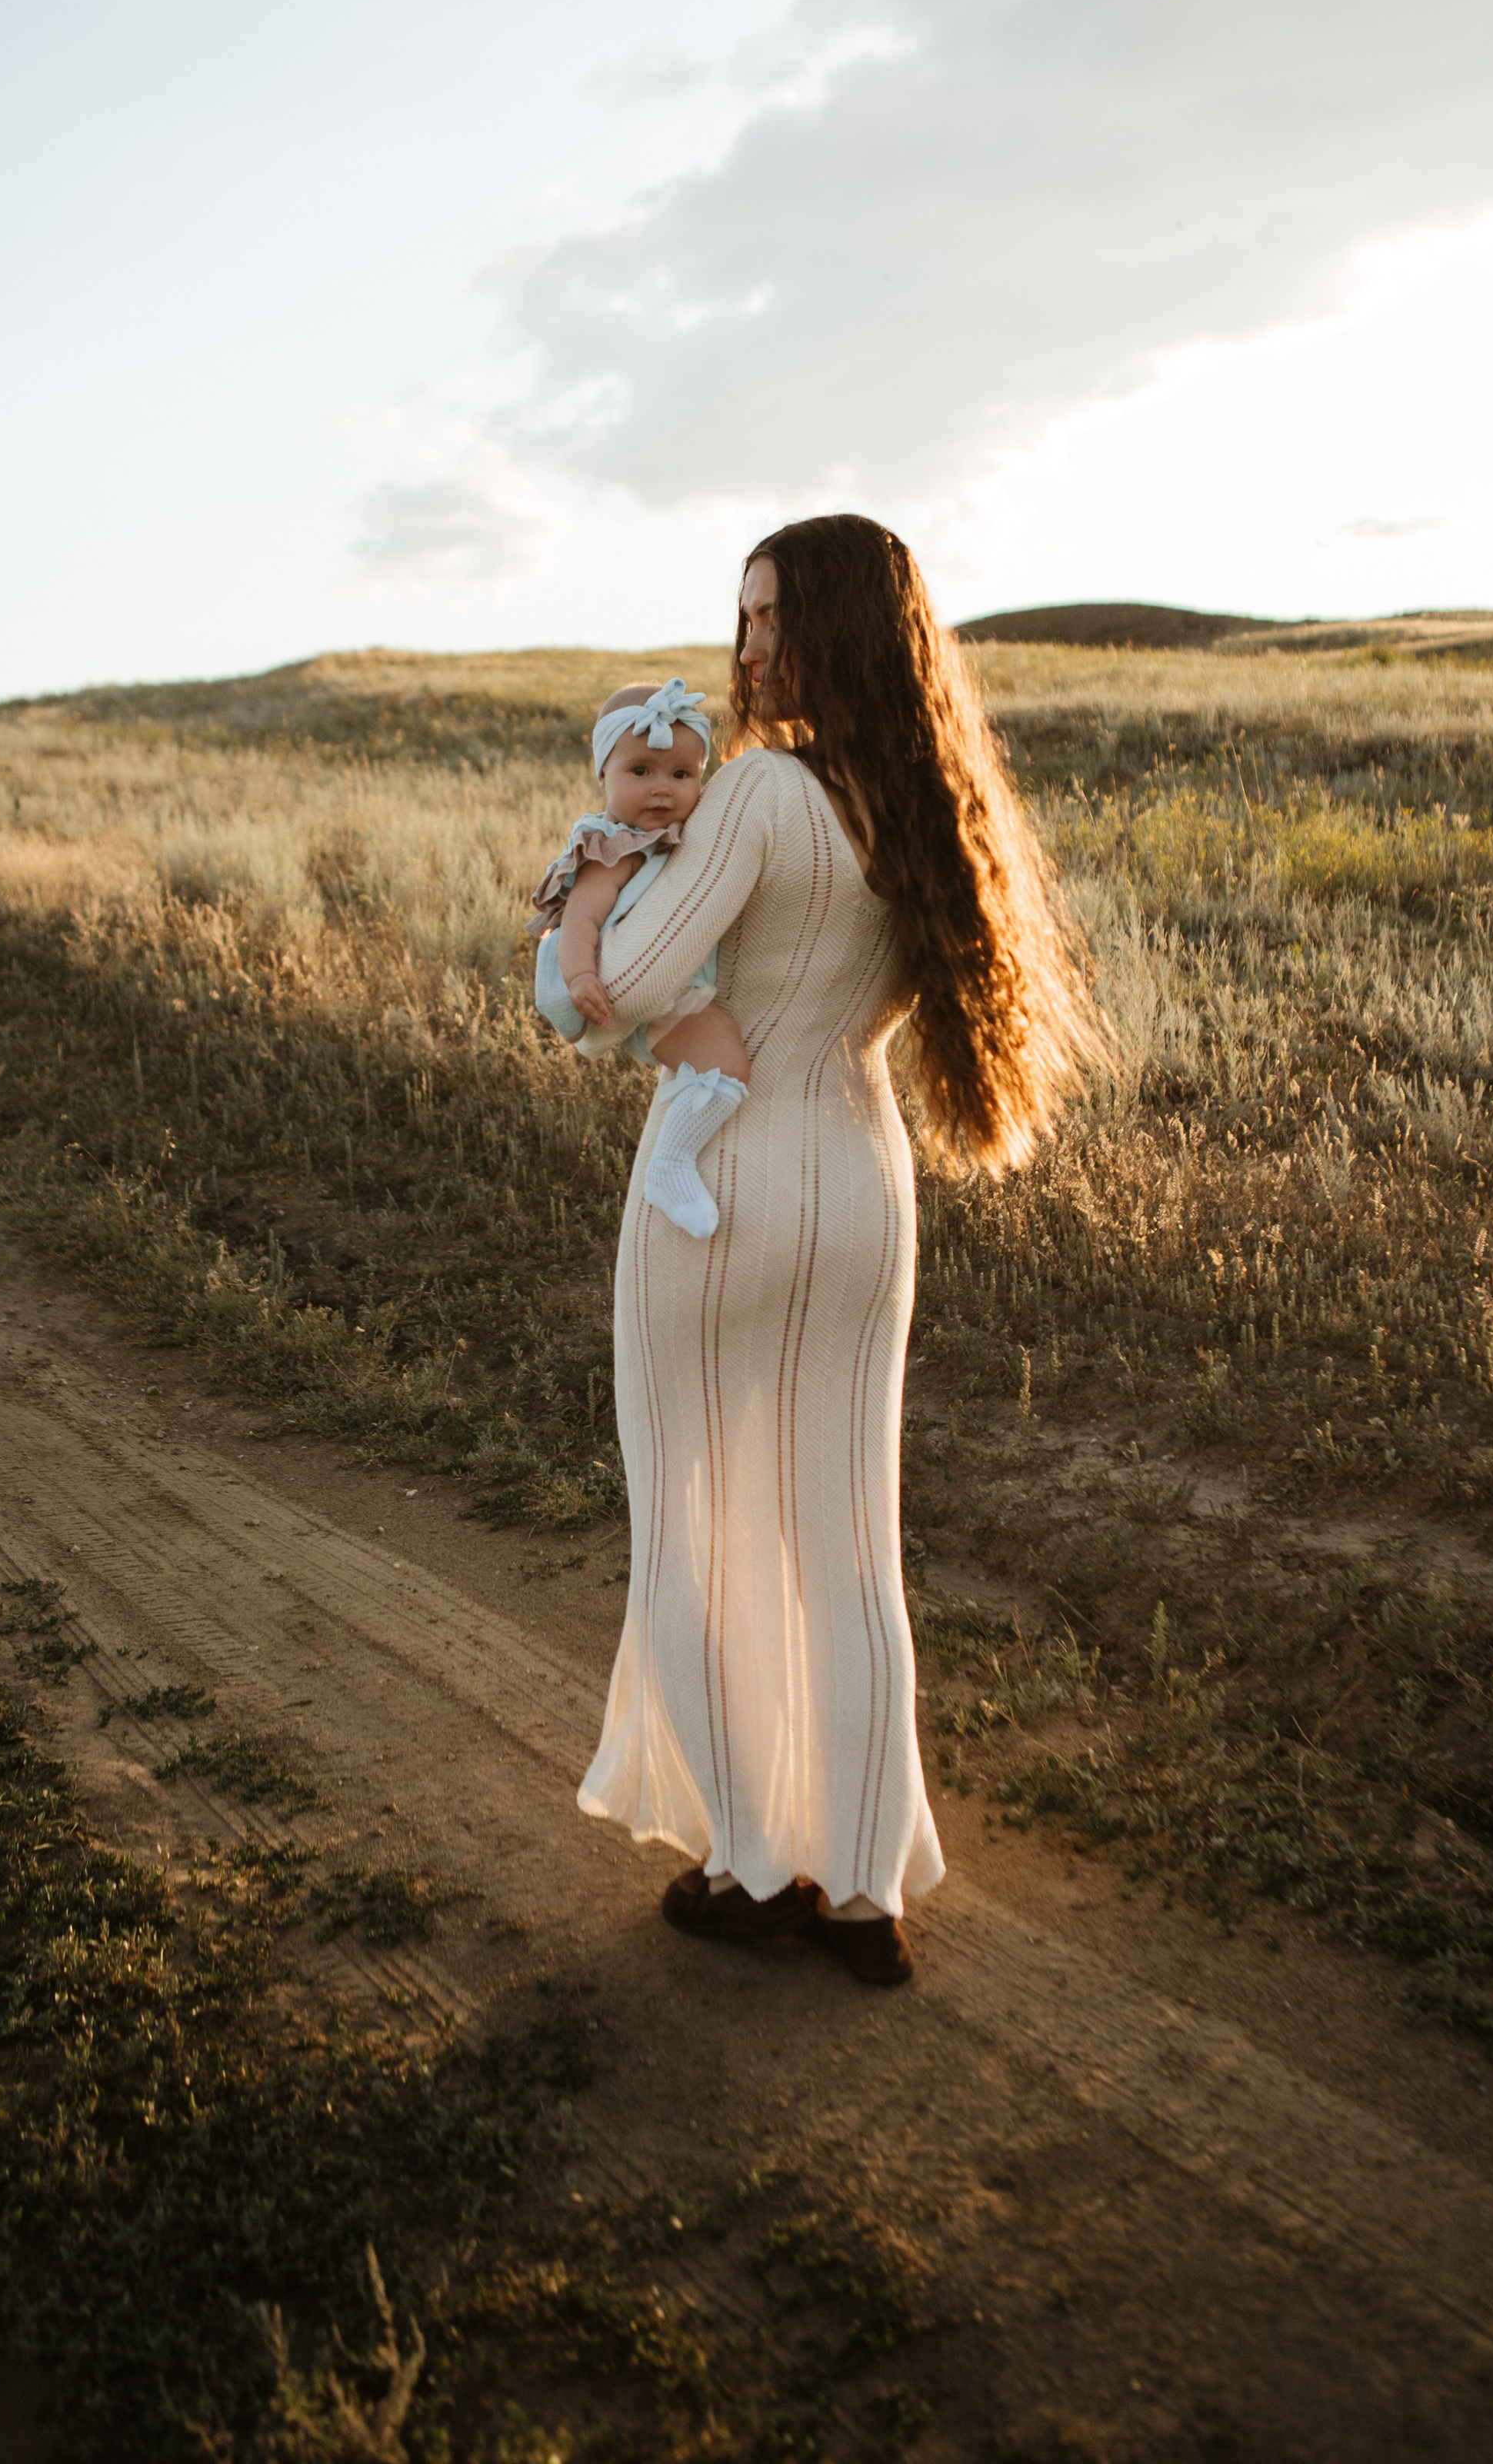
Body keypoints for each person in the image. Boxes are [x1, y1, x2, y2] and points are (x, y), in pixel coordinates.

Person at [575, 516, 1105, 1986]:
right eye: (742, 618)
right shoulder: (931, 806)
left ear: (842, 631)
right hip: (862, 1193)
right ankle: (863, 1891)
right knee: (844, 1544)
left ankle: (754, 1867)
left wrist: (591, 892)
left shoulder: (760, 791)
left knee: (695, 1523)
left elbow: (625, 988)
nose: (749, 650)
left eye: (776, 618)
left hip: (721, 1184)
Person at [527, 677, 755, 1237]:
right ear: (603, 776)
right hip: (639, 993)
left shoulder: (681, 836)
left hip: (680, 983)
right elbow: (580, 920)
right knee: (726, 1061)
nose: (661, 790)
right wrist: (581, 976)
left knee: (722, 1053)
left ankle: (683, 1146)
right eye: (641, 771)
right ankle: (671, 1164)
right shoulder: (615, 848)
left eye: (681, 775)